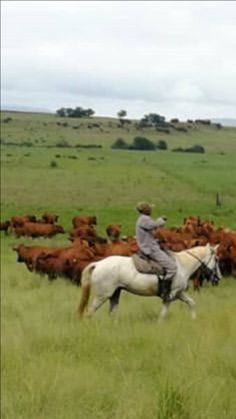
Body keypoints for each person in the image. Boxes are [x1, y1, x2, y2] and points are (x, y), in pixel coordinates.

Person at [135, 202, 177, 302]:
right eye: (150, 208)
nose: (151, 210)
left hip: (150, 245)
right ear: (145, 210)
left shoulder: (143, 219)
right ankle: (164, 291)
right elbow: (153, 225)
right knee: (172, 267)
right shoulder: (144, 219)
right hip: (151, 249)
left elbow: (149, 233)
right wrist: (162, 219)